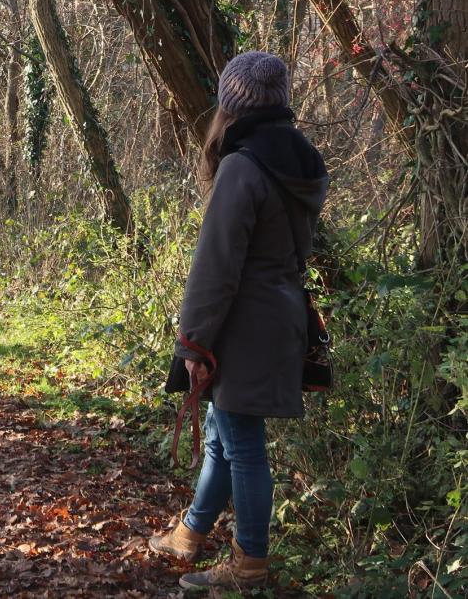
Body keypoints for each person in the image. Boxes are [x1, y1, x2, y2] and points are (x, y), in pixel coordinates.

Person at [148, 51, 330, 590]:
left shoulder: (243, 165)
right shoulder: (302, 159)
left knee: (242, 441)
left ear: (231, 104)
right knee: (223, 431)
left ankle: (250, 562)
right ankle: (190, 532)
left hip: (242, 324)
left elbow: (216, 265)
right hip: (283, 316)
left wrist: (192, 341)